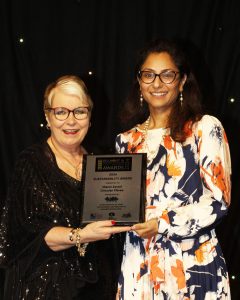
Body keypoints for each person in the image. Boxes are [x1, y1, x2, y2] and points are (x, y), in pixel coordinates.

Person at [115, 39, 231, 299]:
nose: (157, 83)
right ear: (139, 82)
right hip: (139, 263)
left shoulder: (205, 128)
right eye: (148, 75)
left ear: (182, 81)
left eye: (167, 75)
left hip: (192, 264)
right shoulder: (126, 140)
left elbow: (218, 202)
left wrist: (161, 224)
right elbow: (122, 205)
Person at [0, 75, 130, 299]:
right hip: (45, 288)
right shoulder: (31, 162)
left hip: (99, 288)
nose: (71, 121)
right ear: (48, 117)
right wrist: (81, 235)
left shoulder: (102, 160)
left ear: (89, 116)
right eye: (61, 112)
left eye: (80, 111)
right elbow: (30, 235)